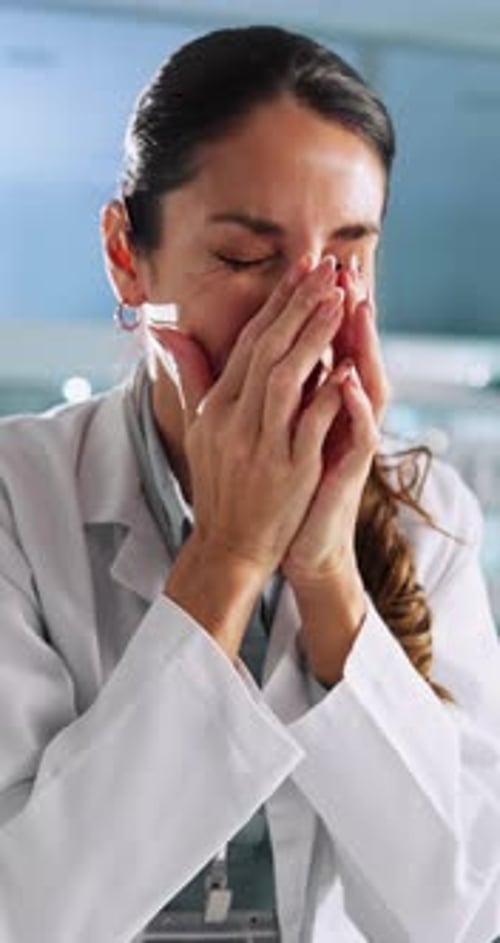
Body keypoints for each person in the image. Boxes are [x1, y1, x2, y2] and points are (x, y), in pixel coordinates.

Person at [0, 24, 499, 943]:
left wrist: (328, 575)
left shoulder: (433, 523)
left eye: (346, 261)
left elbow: (459, 917)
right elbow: (30, 916)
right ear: (126, 255)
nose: (302, 312)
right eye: (243, 258)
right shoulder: (17, 501)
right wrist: (228, 554)